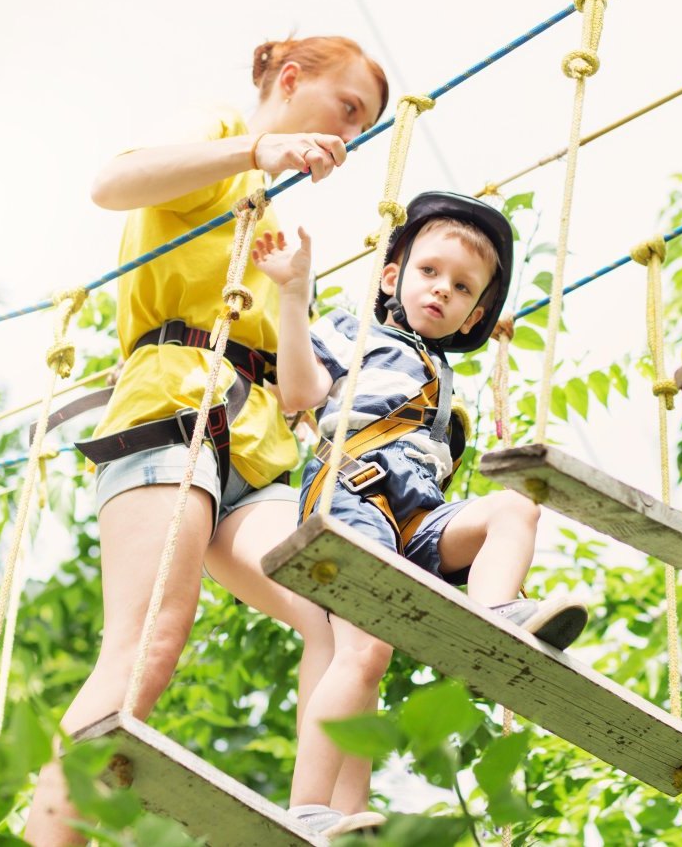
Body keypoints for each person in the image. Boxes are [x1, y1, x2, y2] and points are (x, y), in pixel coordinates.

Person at [25, 36, 389, 845]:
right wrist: (257, 146)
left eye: (362, 123)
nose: (350, 133)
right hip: (172, 410)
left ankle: (323, 811)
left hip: (256, 441)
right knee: (149, 641)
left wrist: (295, 294)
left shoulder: (272, 224)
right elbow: (111, 182)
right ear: (291, 81)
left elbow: (301, 392)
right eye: (348, 108)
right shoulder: (220, 138)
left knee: (341, 615)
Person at [250, 191, 589, 837]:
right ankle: (308, 807)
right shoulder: (352, 331)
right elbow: (299, 392)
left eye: (461, 288)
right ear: (391, 276)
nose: (440, 291)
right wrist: (295, 297)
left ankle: (495, 616)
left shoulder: (442, 369)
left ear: (475, 312)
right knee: (364, 652)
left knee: (513, 505)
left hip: (419, 517)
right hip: (354, 496)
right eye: (428, 272)